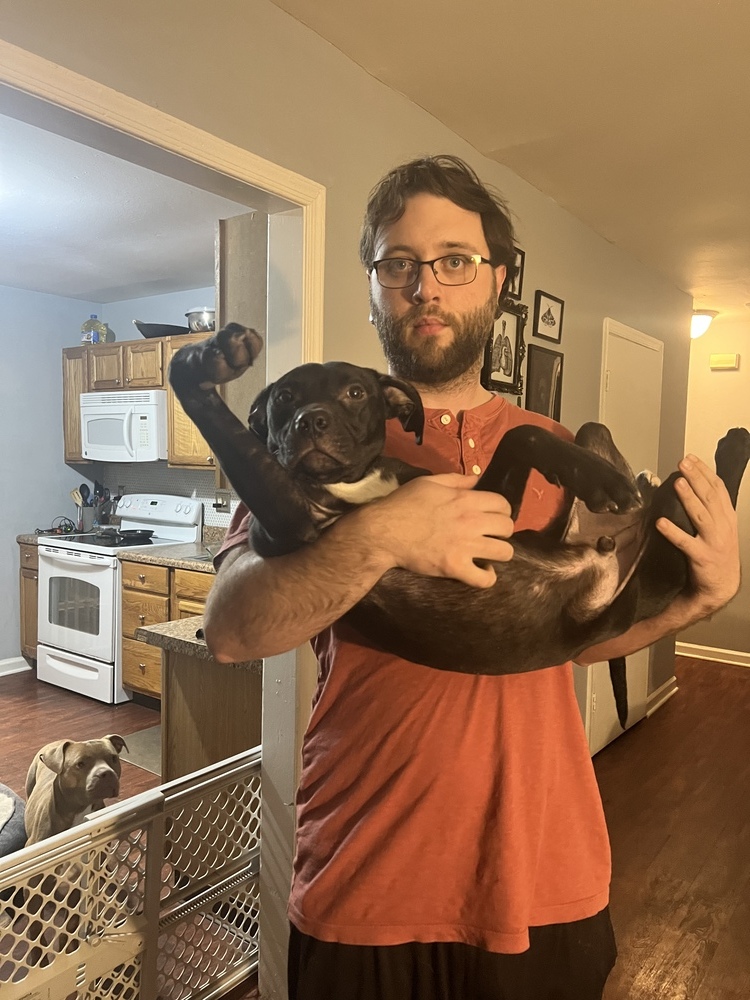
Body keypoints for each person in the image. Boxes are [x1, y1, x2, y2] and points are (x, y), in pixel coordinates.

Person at [205, 155, 740, 1000]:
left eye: (455, 260)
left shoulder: (556, 443)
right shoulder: (316, 452)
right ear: (375, 283)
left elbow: (584, 640)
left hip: (545, 875)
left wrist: (702, 600)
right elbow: (234, 631)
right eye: (398, 264)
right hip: (365, 879)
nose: (427, 288)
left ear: (498, 279)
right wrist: (385, 531)